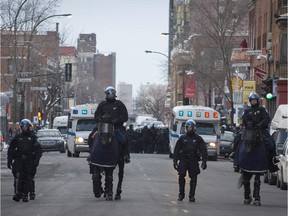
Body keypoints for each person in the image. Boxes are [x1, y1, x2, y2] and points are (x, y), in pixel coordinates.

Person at [234, 92, 277, 206]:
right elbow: (244, 119)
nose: (254, 102)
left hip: (261, 131)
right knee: (237, 140)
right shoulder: (247, 111)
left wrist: (260, 124)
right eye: (252, 100)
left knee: (271, 142)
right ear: (250, 101)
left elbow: (267, 119)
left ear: (257, 101)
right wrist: (248, 123)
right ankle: (235, 158)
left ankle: (273, 160)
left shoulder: (262, 110)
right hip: (249, 130)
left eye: (255, 100)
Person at [91, 86, 129, 200]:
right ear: (106, 94)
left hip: (116, 128)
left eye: (112, 93)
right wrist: (101, 119)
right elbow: (96, 115)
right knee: (91, 136)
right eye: (108, 93)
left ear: (115, 94)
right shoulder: (102, 104)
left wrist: (115, 120)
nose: (110, 95)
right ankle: (91, 154)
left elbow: (125, 117)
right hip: (102, 127)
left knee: (124, 138)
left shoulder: (119, 104)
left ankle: (125, 155)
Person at [7, 119, 42, 202]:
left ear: (29, 127)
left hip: (29, 160)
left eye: (26, 127)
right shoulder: (18, 137)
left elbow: (38, 150)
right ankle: (18, 193)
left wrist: (36, 160)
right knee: (18, 176)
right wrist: (9, 160)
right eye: (23, 127)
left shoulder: (33, 138)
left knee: (28, 177)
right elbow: (11, 149)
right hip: (19, 160)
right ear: (21, 127)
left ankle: (26, 194)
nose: (25, 128)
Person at [173, 119, 208, 202]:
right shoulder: (182, 138)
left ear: (194, 128)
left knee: (194, 177)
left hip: (193, 159)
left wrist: (204, 161)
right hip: (184, 159)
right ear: (186, 128)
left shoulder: (198, 139)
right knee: (181, 176)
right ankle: (181, 194)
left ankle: (192, 195)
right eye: (188, 127)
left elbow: (203, 150)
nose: (190, 128)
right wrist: (175, 161)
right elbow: (176, 150)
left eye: (191, 127)